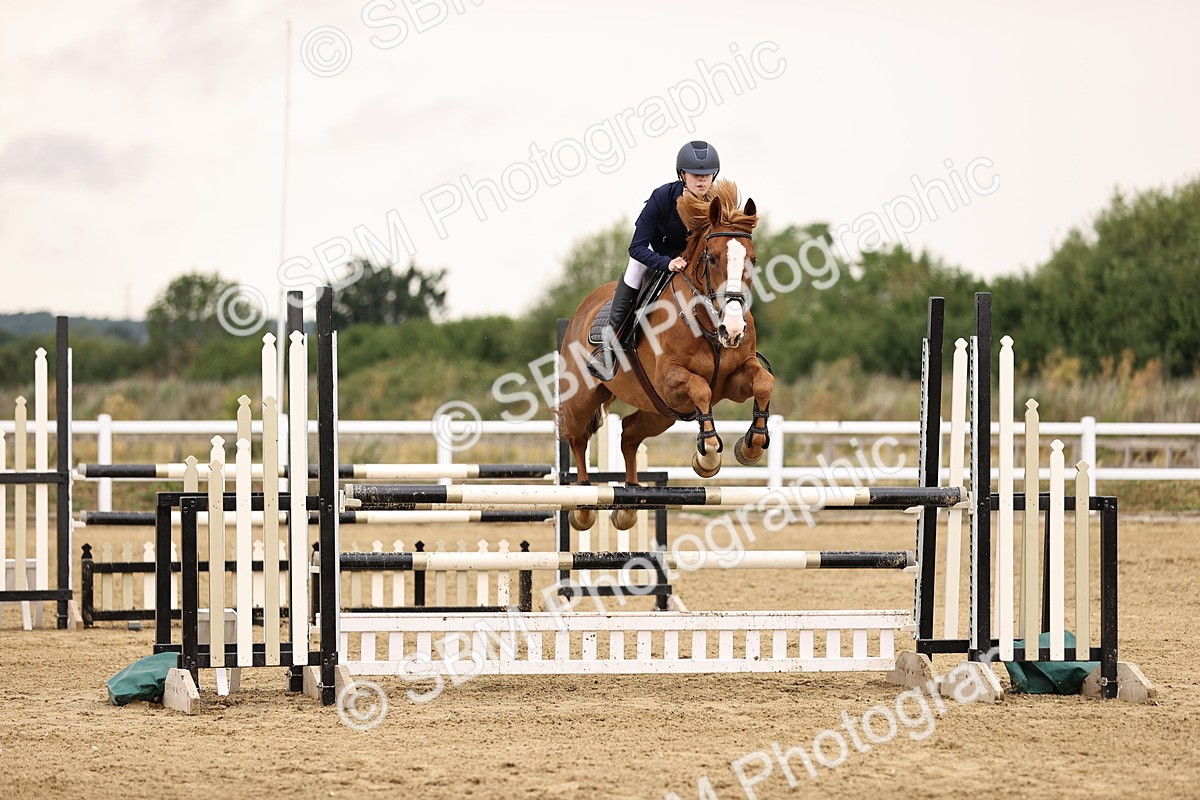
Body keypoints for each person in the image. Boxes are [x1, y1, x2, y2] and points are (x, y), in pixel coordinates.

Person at [586, 140, 720, 381]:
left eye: (707, 175)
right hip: (655, 253)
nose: (702, 180)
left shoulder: (717, 201)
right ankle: (609, 350)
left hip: (695, 260)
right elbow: (635, 246)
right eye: (695, 174)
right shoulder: (662, 197)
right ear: (682, 175)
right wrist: (666, 263)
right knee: (634, 273)